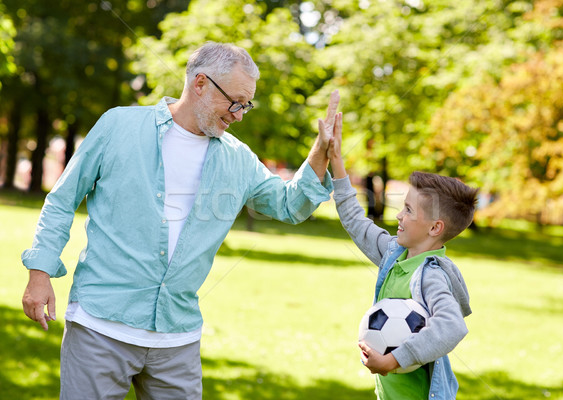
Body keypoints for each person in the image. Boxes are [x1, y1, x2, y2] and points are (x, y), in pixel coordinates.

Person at [21, 42, 340, 399]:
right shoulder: (118, 125)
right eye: (234, 101)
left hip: (177, 339)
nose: (239, 114)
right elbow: (63, 200)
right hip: (100, 326)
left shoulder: (238, 158)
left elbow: (288, 205)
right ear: (200, 83)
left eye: (246, 105)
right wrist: (40, 272)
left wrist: (320, 153)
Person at [325, 112, 477, 399]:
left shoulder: (431, 276)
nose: (399, 215)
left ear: (435, 227)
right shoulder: (395, 254)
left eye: (408, 210)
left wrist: (393, 361)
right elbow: (357, 223)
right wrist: (337, 162)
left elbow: (452, 325)